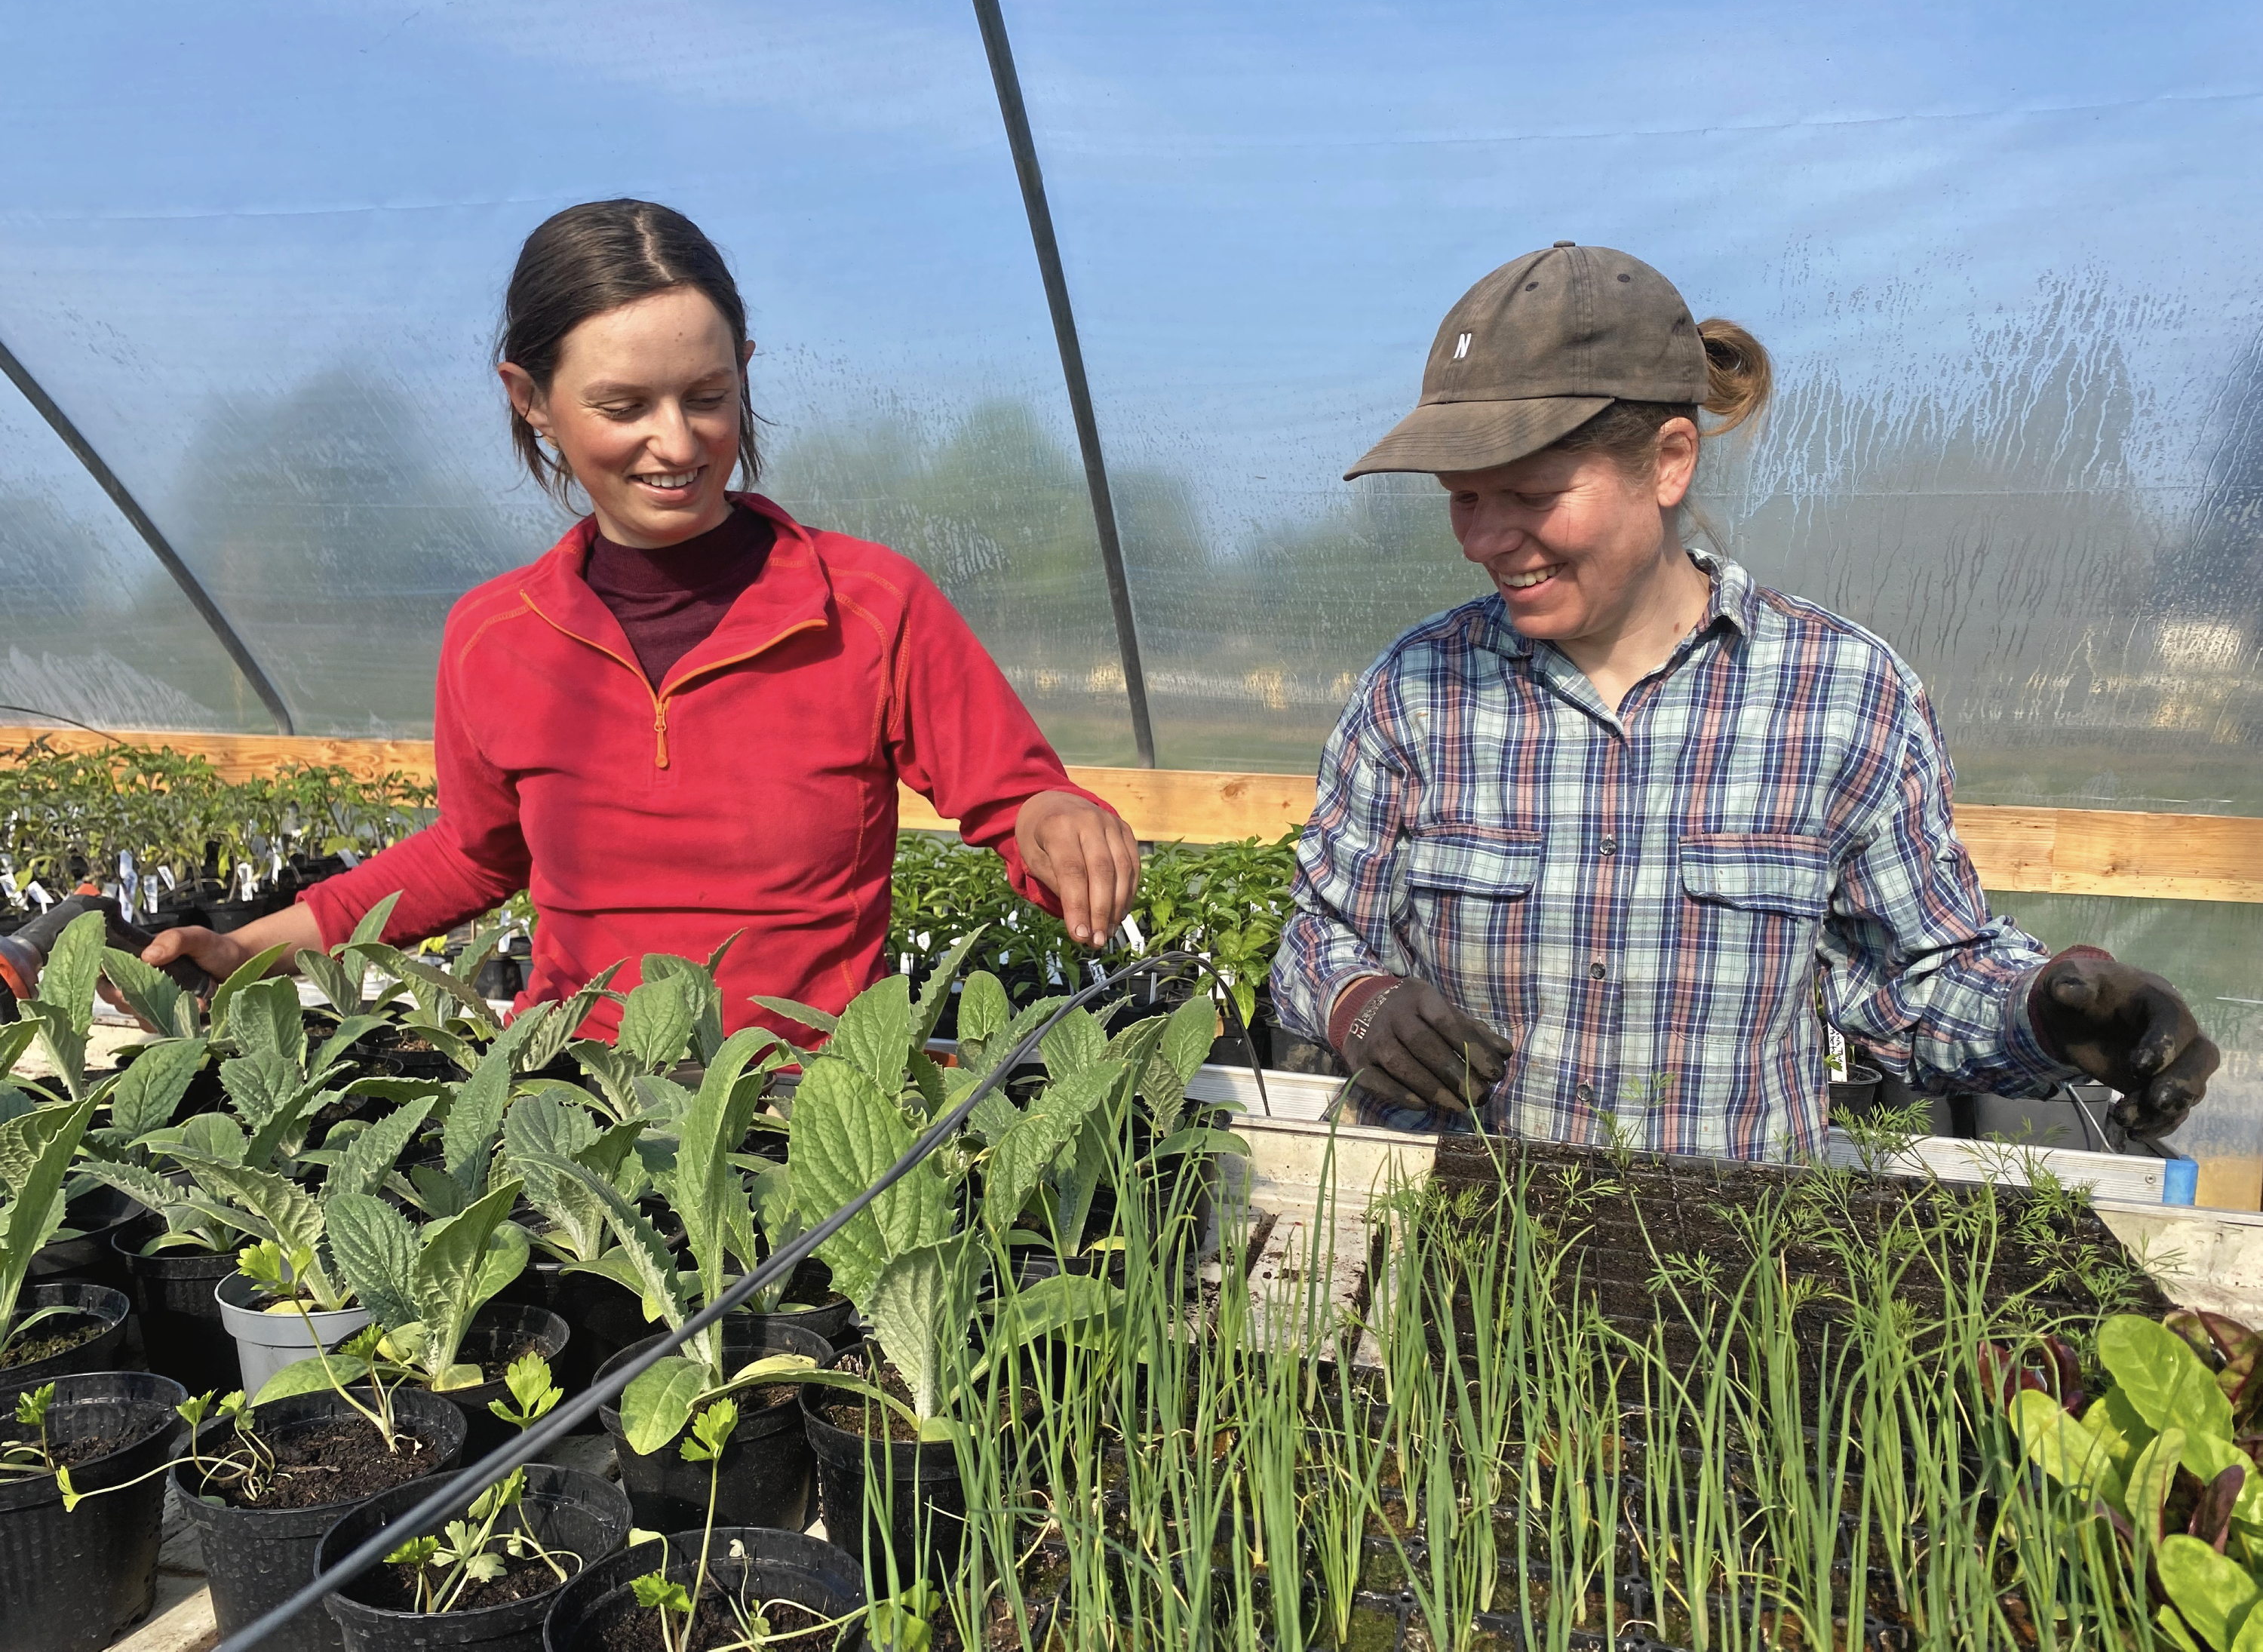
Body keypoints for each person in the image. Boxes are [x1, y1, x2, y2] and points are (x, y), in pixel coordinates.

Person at [1269, 242, 2218, 1159]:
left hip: (1731, 1275)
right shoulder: (1419, 689)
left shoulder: (1840, 696)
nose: (1485, 537)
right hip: (1464, 1246)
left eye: (1529, 492)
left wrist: (2051, 1008)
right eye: (1463, 497)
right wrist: (1358, 1002)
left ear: (1670, 460)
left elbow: (1917, 980)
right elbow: (1319, 928)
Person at [143, 199, 1139, 1042]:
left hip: (808, 1112)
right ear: (530, 398)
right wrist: (246, 947)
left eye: (708, 395)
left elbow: (1017, 802)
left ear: (744, 369)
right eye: (624, 405)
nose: (679, 441)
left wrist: (1058, 821)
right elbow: (471, 853)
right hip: (582, 1103)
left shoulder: (866, 605)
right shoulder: (497, 635)